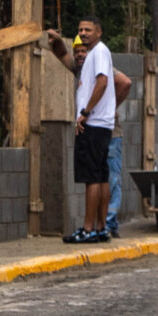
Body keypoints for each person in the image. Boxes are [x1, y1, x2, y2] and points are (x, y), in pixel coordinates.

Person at [48, 16, 115, 243]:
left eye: (88, 29)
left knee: (92, 178)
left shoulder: (99, 52)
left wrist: (86, 112)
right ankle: (100, 227)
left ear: (99, 32)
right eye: (80, 30)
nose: (84, 33)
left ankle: (88, 229)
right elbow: (68, 60)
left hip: (94, 124)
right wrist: (58, 45)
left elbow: (103, 82)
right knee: (102, 175)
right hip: (99, 123)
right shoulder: (89, 58)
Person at [68, 35, 135, 238]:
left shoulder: (99, 64)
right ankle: (101, 227)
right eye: (76, 51)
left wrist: (107, 108)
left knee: (102, 178)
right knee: (102, 177)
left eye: (83, 50)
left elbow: (124, 82)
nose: (80, 54)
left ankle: (103, 225)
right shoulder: (83, 69)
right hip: (101, 127)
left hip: (105, 130)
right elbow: (63, 56)